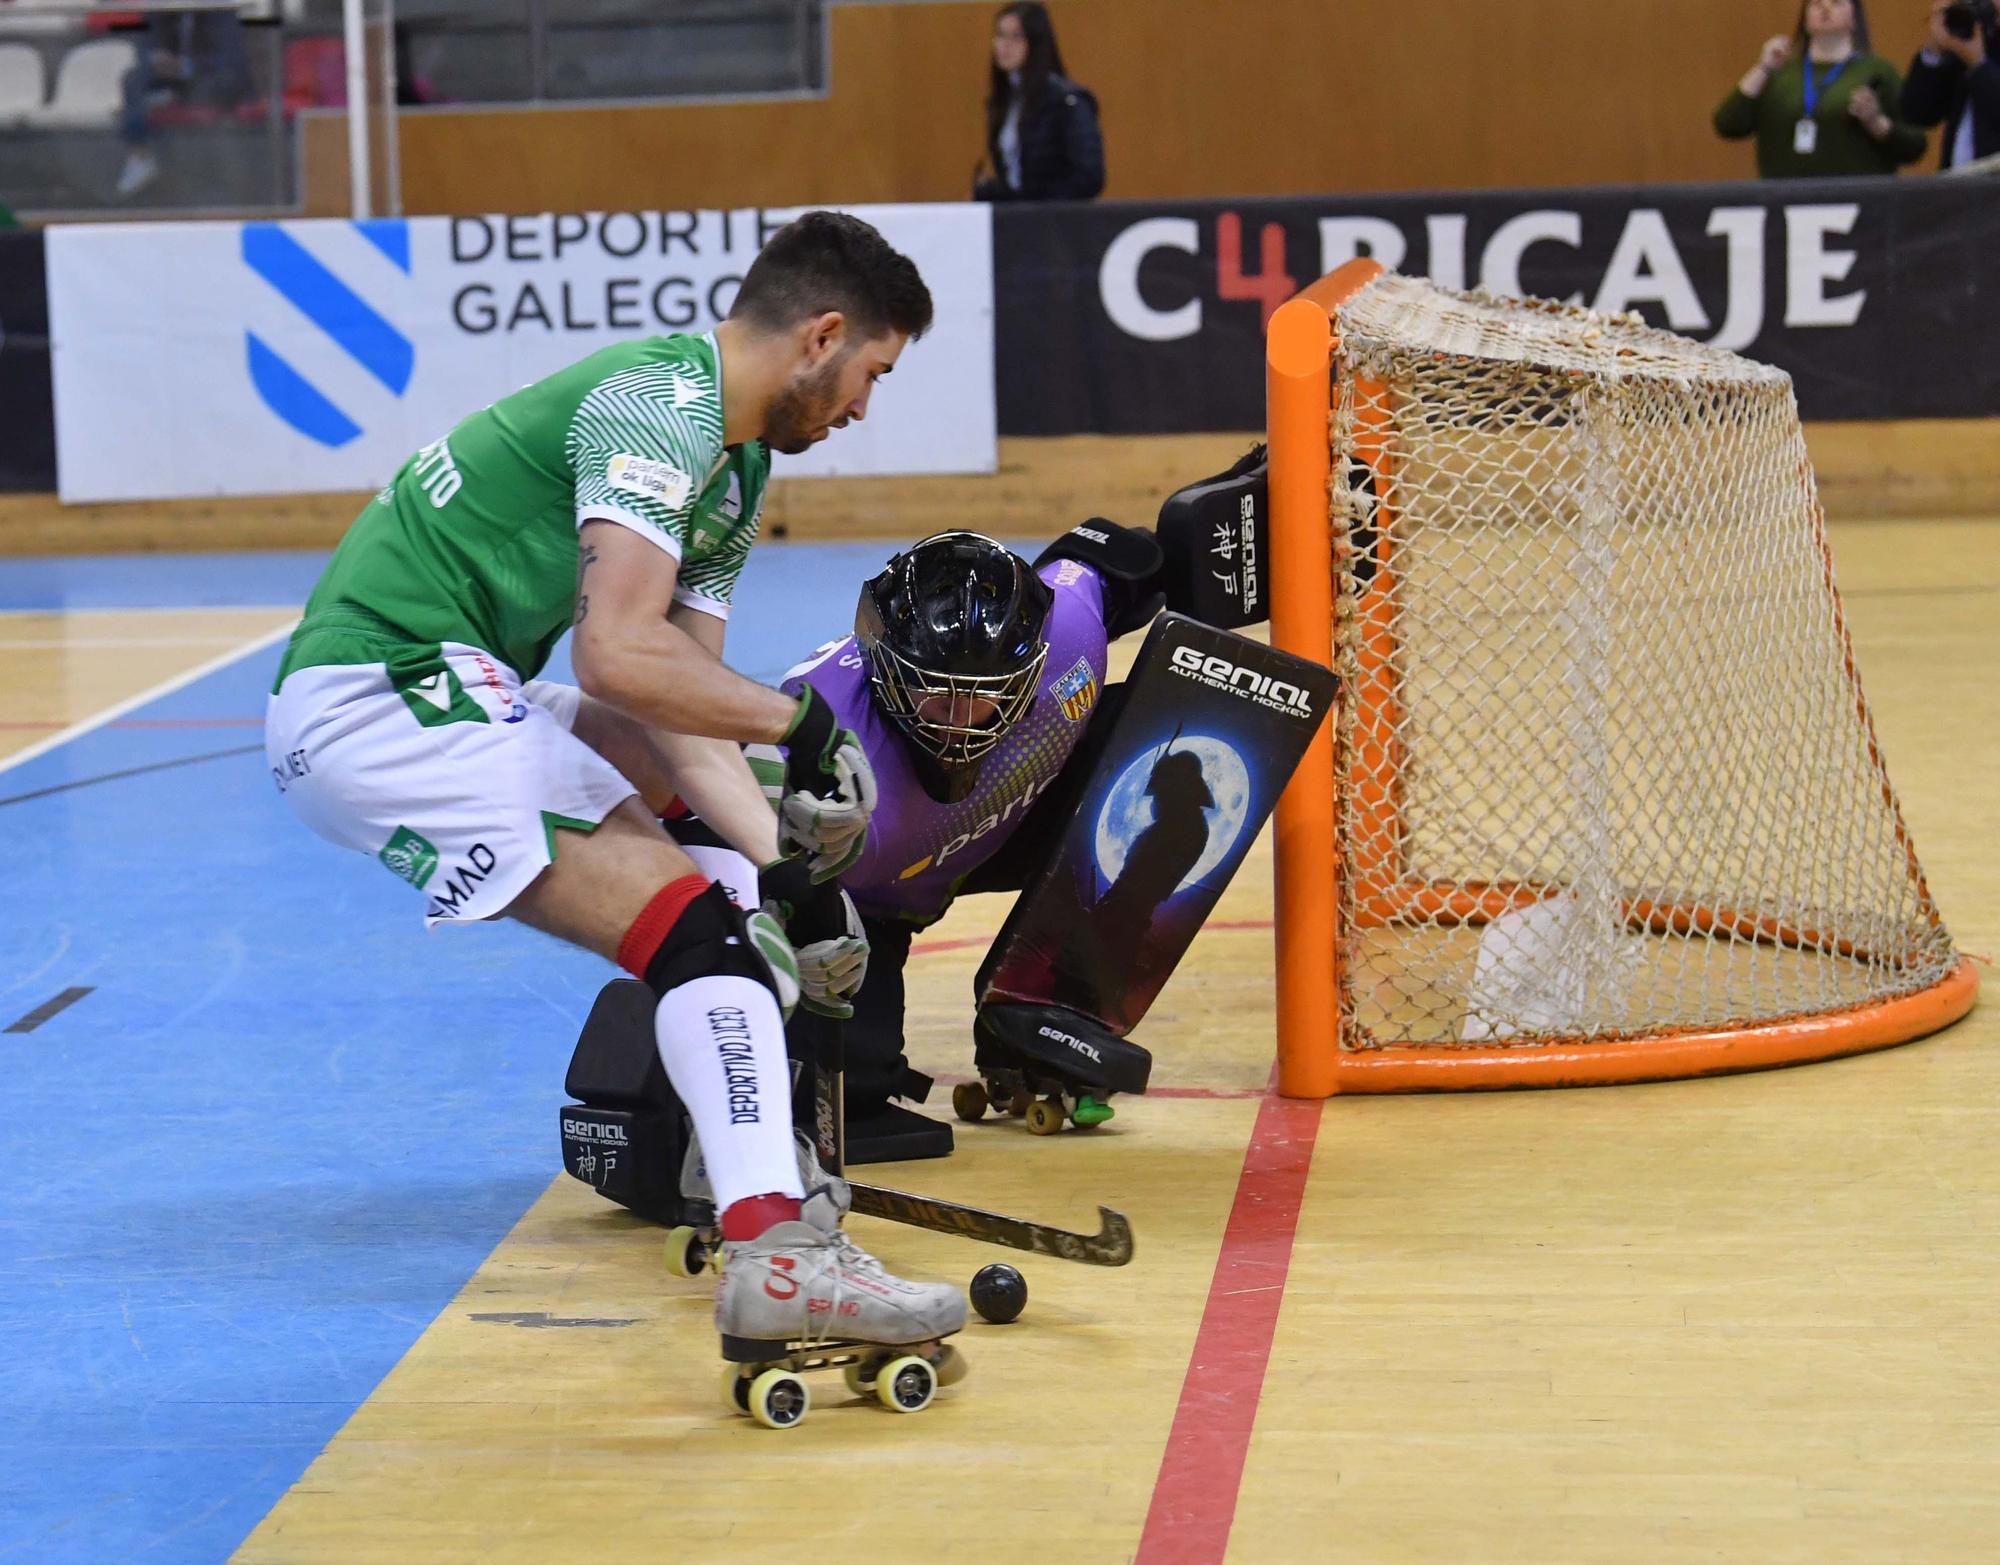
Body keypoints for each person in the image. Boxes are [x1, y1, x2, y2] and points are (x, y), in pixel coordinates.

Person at [264, 212, 967, 1380]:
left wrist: (796, 882)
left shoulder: (731, 467)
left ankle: (736, 1152)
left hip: (441, 683)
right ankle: (772, 1245)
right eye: (869, 376)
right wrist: (800, 724)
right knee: (700, 939)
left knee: (731, 876)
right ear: (823, 335)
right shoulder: (661, 405)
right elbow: (616, 659)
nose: (859, 411)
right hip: (384, 691)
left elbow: (675, 715)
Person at [750, 523, 1167, 1160]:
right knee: (848, 1088)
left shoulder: (1070, 636)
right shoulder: (816, 737)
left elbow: (1124, 557)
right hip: (868, 901)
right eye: (934, 691)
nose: (957, 719)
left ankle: (1048, 1001)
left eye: (985, 696)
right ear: (882, 665)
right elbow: (723, 851)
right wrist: (788, 936)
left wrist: (1264, 527)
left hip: (1016, 813)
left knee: (1176, 742)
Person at [1715, 0, 1929, 178]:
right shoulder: (1781, 72)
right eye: (1816, 3)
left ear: (1855, 17)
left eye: (1836, 2)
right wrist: (1763, 67)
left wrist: (1876, 123)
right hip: (1785, 204)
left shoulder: (1877, 71)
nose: (1825, 8)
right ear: (1805, 19)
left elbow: (1915, 145)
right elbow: (1728, 124)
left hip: (1859, 204)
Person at [972, 2, 1105, 202]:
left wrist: (1036, 200)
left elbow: (1089, 176)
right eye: (1000, 35)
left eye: (1016, 37)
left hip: (1055, 219)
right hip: (1019, 218)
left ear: (1035, 43)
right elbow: (1015, 177)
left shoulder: (1067, 102)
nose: (1005, 45)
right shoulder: (1004, 102)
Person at [115, 10, 255, 199]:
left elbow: (229, 59)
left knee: (211, 85)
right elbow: (143, 48)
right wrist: (156, 60)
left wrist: (186, 66)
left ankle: (209, 172)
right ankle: (140, 156)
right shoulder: (161, 11)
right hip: (172, 77)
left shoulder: (220, 12)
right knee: (132, 79)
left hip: (209, 76)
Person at [1901, 0, 2000, 169]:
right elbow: (1917, 113)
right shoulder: (1975, 43)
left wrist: (1978, 65)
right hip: (1957, 185)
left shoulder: (1976, 56)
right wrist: (1935, 50)